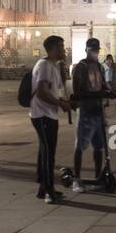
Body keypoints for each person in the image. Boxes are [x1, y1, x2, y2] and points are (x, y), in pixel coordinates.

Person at [31, 35, 72, 203]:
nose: (64, 50)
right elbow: (41, 92)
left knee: (45, 150)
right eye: (61, 47)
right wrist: (61, 104)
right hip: (42, 115)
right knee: (48, 153)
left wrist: (62, 102)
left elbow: (56, 89)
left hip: (48, 114)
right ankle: (49, 191)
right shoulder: (45, 65)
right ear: (54, 48)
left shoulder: (53, 66)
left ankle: (43, 188)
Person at [70, 37, 112, 193]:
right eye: (92, 49)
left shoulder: (100, 67)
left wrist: (111, 92)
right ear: (86, 50)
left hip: (98, 111)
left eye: (97, 50)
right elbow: (77, 91)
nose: (95, 52)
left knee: (99, 147)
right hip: (86, 111)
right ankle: (77, 179)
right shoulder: (81, 66)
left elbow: (103, 86)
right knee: (80, 146)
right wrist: (98, 94)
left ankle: (97, 177)